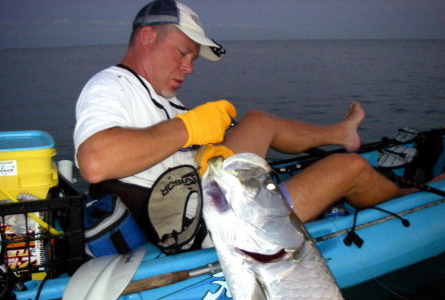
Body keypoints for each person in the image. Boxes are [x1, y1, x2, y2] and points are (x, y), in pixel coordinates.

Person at [74, 0, 431, 247]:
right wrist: (189, 128)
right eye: (183, 53)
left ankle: (341, 132)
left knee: (258, 121)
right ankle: (410, 200)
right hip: (209, 222)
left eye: (193, 59)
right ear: (148, 37)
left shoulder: (159, 95)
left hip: (202, 186)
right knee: (347, 168)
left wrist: (199, 148)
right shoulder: (110, 85)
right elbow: (95, 162)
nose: (190, 68)